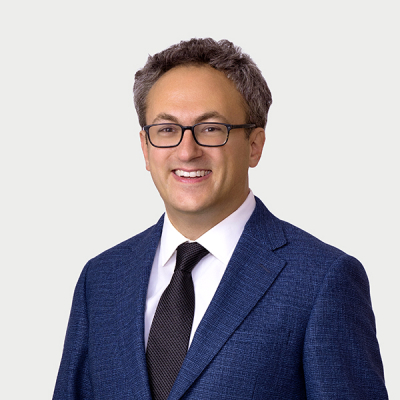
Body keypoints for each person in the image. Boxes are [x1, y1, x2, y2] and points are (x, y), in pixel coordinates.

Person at [53, 38, 388, 400]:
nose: (187, 151)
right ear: (145, 148)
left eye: (211, 128)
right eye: (166, 130)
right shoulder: (101, 279)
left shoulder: (322, 280)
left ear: (254, 145)